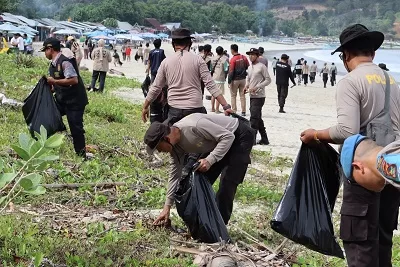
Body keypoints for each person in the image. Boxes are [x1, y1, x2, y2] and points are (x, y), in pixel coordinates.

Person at [300, 24, 400, 267]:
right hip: (393, 169)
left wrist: (316, 134)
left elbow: (347, 131)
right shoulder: (393, 82)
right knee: (383, 239)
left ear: (345, 56)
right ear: (373, 54)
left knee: (360, 241)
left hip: (363, 171)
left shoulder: (351, 81)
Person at [144, 113, 254, 225]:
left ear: (166, 139)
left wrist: (210, 160)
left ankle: (219, 226)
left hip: (239, 135)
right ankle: (203, 222)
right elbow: (175, 175)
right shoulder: (175, 147)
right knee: (200, 179)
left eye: (158, 148)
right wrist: (166, 207)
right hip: (219, 140)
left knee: (227, 183)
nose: (160, 152)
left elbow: (228, 136)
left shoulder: (194, 126)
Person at [142, 28, 233, 127]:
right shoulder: (198, 60)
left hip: (174, 111)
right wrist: (225, 106)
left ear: (173, 44)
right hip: (196, 111)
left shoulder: (166, 62)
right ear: (190, 43)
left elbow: (155, 88)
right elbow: (211, 85)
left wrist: (145, 107)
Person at [39, 38, 88, 157]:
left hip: (74, 101)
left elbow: (73, 80)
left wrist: (54, 81)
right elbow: (56, 82)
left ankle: (81, 155)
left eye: (45, 50)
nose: (45, 53)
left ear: (50, 49)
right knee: (48, 115)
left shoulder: (64, 62)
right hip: (62, 100)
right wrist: (51, 87)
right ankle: (53, 137)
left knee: (76, 128)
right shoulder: (53, 64)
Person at [244, 48, 271, 145]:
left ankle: (252, 140)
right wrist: (246, 86)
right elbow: (249, 78)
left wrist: (258, 87)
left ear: (257, 55)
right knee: (257, 117)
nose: (251, 56)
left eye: (253, 54)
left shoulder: (262, 67)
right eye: (249, 54)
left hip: (259, 96)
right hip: (251, 95)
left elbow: (268, 80)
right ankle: (264, 139)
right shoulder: (250, 67)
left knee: (254, 118)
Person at [146, 38, 167, 123]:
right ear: (160, 44)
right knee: (160, 87)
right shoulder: (162, 51)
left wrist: (148, 69)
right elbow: (164, 61)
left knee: (153, 86)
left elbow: (149, 62)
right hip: (160, 71)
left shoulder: (151, 52)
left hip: (153, 71)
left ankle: (152, 98)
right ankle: (160, 98)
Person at [228, 44, 250, 116]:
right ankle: (243, 111)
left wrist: (229, 81)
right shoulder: (244, 57)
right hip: (243, 79)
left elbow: (231, 71)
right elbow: (247, 66)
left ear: (232, 50)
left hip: (235, 80)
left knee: (233, 96)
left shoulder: (233, 59)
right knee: (242, 95)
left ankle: (234, 110)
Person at [210, 46, 229, 113]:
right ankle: (217, 109)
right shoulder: (225, 59)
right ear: (222, 51)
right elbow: (226, 69)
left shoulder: (212, 58)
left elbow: (210, 69)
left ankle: (212, 108)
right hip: (220, 78)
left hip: (214, 77)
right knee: (219, 94)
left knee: (213, 94)